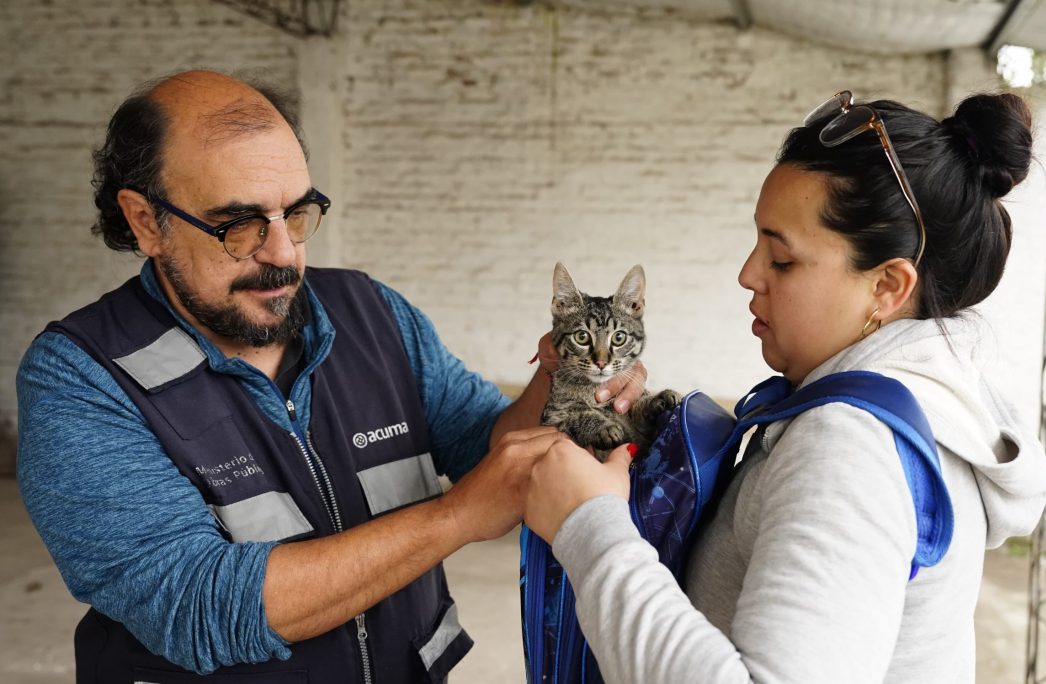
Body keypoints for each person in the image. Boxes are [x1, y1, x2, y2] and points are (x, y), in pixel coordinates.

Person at [15, 70, 642, 681]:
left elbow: (487, 442)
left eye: (297, 213)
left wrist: (556, 380)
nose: (284, 253)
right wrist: (458, 517)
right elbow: (195, 605)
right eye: (238, 226)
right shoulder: (82, 376)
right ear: (147, 221)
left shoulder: (374, 315)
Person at [523, 90, 1046, 683]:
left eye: (781, 259)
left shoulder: (849, 446)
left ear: (886, 286)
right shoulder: (928, 401)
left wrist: (588, 525)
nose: (747, 274)